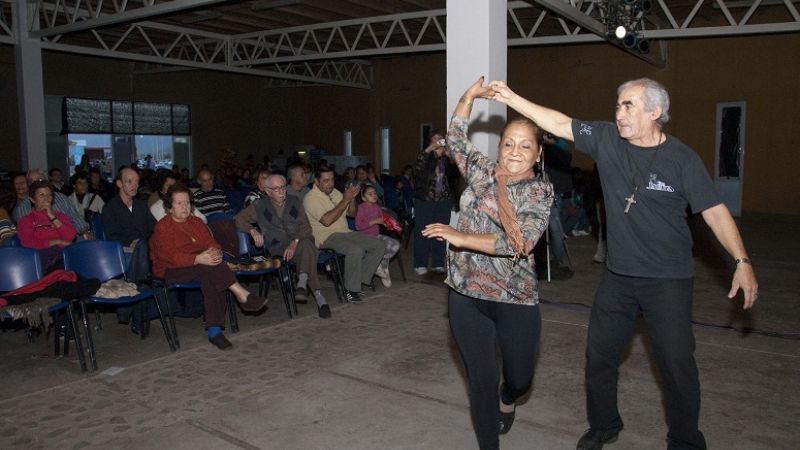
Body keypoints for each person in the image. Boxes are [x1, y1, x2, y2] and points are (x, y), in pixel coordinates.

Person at [488, 77, 759, 450]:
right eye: (618, 105)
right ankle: (604, 425)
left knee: (677, 364)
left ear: (655, 112)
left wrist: (741, 260)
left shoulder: (681, 159)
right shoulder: (607, 140)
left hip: (667, 279)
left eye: (628, 105)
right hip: (618, 277)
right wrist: (512, 97)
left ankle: (685, 440)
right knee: (599, 355)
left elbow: (715, 213)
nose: (619, 113)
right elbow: (559, 123)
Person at [420, 78, 552, 450]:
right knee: (480, 381)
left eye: (525, 146)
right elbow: (457, 137)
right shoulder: (481, 174)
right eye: (508, 143)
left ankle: (508, 398)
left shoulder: (539, 192)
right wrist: (469, 97)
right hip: (465, 295)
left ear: (538, 154)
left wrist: (460, 237)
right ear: (499, 146)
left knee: (520, 378)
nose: (514, 151)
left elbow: (521, 241)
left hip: (515, 299)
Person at [150, 183, 268, 350]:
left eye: (187, 203)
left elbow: (211, 242)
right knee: (212, 267)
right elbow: (170, 257)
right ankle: (241, 295)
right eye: (179, 203)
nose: (185, 207)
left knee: (211, 274)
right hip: (171, 270)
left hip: (201, 266)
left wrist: (215, 252)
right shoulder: (162, 227)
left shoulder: (196, 222)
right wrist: (198, 258)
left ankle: (215, 331)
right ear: (169, 207)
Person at [235, 174, 331, 318]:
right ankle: (315, 293)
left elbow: (306, 228)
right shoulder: (260, 205)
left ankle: (304, 283)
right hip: (277, 247)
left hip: (299, 243)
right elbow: (238, 219)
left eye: (283, 187)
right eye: (276, 188)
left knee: (306, 244)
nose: (281, 191)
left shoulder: (295, 201)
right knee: (309, 250)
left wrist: (295, 241)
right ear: (267, 191)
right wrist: (252, 230)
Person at [303, 168, 385, 303]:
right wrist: (345, 200)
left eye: (332, 180)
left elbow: (351, 214)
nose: (330, 184)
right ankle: (351, 290)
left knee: (379, 245)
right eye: (326, 181)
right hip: (326, 236)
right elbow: (327, 221)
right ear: (316, 181)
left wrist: (351, 199)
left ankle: (359, 279)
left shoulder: (335, 193)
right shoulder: (311, 198)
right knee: (355, 250)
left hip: (345, 232)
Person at [413, 129, 460, 275]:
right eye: (435, 139)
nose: (438, 140)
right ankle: (420, 263)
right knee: (424, 232)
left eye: (440, 138)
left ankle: (438, 262)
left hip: (444, 201)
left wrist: (449, 154)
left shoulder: (448, 157)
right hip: (425, 199)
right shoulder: (426, 156)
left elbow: (459, 171)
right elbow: (417, 168)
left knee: (441, 232)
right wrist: (429, 149)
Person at [103, 168, 157, 284]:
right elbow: (111, 234)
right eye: (129, 181)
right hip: (124, 249)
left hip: (144, 246)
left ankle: (137, 285)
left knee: (144, 244)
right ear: (119, 184)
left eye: (137, 182)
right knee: (141, 245)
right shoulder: (110, 208)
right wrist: (129, 242)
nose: (134, 185)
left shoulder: (141, 205)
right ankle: (141, 284)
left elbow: (154, 228)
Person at [12, 169, 91, 240]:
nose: (35, 183)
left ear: (46, 181)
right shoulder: (23, 208)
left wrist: (85, 231)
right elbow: (28, 235)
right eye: (31, 181)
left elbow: (75, 217)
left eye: (39, 180)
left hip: (71, 238)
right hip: (43, 244)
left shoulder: (61, 198)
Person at [17, 180, 77, 270]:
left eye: (49, 195)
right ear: (32, 199)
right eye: (41, 195)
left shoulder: (60, 216)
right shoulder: (26, 220)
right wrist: (56, 242)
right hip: (42, 256)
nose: (46, 198)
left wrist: (52, 217)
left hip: (64, 253)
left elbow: (70, 236)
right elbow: (27, 243)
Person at [354, 185, 397, 288]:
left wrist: (388, 223)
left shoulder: (377, 207)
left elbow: (381, 220)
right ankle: (378, 266)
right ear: (364, 198)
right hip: (365, 238)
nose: (374, 195)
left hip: (376, 236)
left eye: (374, 193)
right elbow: (358, 226)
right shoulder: (361, 208)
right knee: (380, 246)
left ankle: (383, 266)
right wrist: (375, 221)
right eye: (370, 194)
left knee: (395, 244)